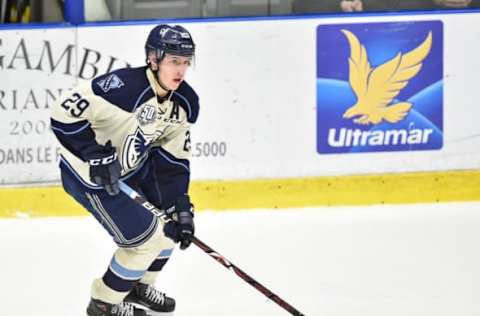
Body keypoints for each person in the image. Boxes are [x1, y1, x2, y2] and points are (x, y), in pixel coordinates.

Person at [50, 24, 198, 316]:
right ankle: (104, 303)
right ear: (153, 59)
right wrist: (94, 154)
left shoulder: (184, 103)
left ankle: (138, 287)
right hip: (90, 177)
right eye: (173, 61)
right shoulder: (121, 89)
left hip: (133, 171)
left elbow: (173, 160)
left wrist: (177, 202)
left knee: (168, 226)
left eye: (184, 61)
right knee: (145, 243)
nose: (180, 69)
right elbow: (62, 112)